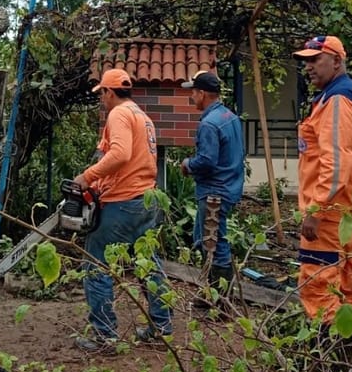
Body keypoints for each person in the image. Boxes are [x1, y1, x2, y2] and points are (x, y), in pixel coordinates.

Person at [71, 68, 173, 352]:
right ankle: (161, 327)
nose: (101, 99)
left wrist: (87, 177)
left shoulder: (118, 114)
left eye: (101, 93)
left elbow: (120, 154)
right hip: (146, 199)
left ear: (109, 91)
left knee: (96, 263)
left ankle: (105, 336)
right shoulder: (143, 116)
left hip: (124, 200)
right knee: (148, 264)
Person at [292, 35, 352, 326]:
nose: (309, 68)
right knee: (350, 285)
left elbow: (335, 162)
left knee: (318, 285)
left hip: (329, 215)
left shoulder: (338, 100)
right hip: (350, 209)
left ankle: (330, 356)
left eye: (315, 60)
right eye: (306, 62)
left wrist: (315, 209)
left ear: (337, 61)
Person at [180, 70, 244, 306]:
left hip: (214, 191)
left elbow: (207, 161)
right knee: (208, 239)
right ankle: (213, 294)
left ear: (203, 93)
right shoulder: (230, 116)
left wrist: (188, 164)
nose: (192, 97)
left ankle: (218, 300)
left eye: (193, 92)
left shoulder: (209, 124)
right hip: (230, 187)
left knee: (213, 243)